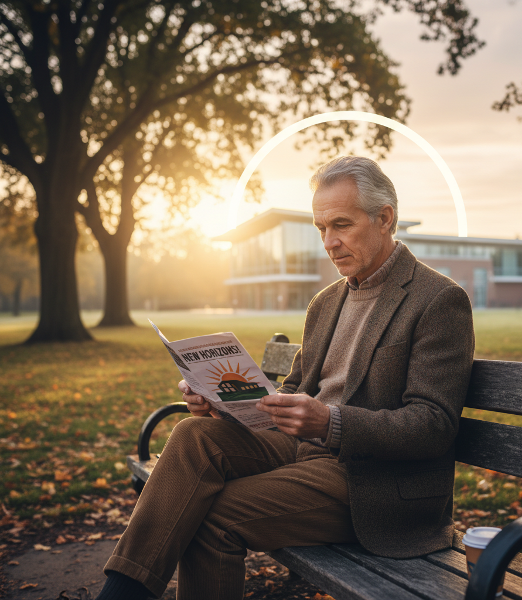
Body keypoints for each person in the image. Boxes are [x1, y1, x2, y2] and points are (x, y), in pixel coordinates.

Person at [97, 156, 475, 600]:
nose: (329, 242)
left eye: (341, 225)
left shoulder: (438, 300)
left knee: (212, 516)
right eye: (321, 229)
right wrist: (222, 401)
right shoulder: (326, 302)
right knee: (192, 434)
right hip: (300, 450)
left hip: (371, 482)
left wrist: (330, 423)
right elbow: (292, 391)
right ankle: (120, 594)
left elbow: (433, 426)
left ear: (384, 218)